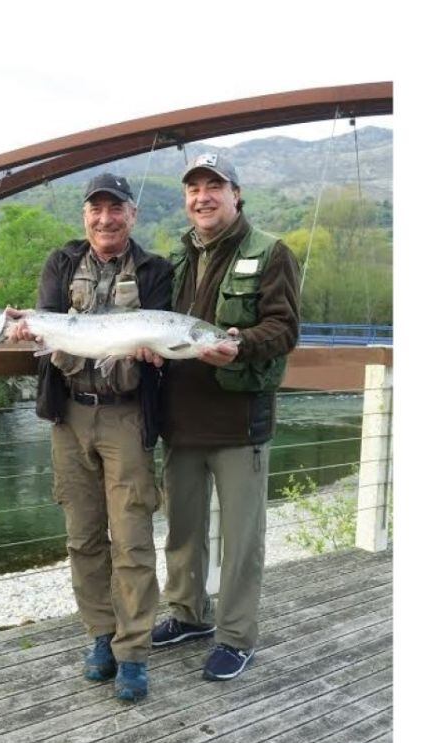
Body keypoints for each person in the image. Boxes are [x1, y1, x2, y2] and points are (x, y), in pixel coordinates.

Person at [3, 173, 172, 702]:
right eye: (96, 209)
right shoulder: (60, 262)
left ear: (132, 215)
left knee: (132, 538)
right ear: (85, 215)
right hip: (69, 414)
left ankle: (134, 651)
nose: (105, 219)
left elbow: (164, 340)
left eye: (115, 209)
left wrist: (154, 351)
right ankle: (100, 635)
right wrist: (24, 327)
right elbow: (48, 318)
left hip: (126, 418)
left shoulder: (156, 269)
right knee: (83, 536)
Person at [151, 153, 300, 681]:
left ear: (236, 194)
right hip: (182, 422)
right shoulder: (177, 256)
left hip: (240, 422)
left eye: (215, 186)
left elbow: (284, 329)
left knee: (242, 541)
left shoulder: (271, 252)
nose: (203, 197)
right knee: (183, 532)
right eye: (194, 188)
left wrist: (241, 346)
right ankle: (188, 615)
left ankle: (236, 636)